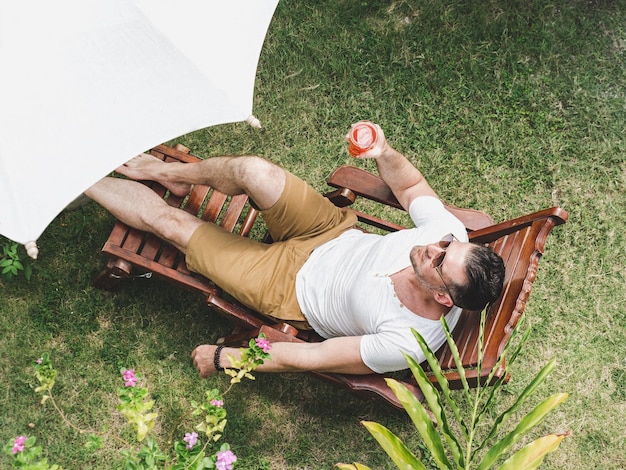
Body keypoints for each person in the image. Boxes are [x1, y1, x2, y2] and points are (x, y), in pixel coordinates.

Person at [85, 121, 505, 377]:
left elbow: (313, 357)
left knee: (172, 224)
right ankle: (168, 172)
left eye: (439, 259)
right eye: (445, 244)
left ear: (443, 296)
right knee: (252, 169)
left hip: (289, 289)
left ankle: (77, 177)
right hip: (331, 232)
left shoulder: (407, 342)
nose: (434, 246)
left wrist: (226, 358)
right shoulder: (450, 237)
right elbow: (411, 186)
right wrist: (383, 151)